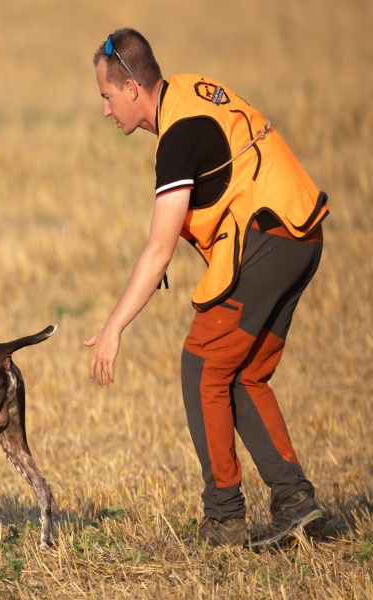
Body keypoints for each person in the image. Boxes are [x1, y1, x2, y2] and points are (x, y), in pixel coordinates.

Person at [83, 28, 328, 547]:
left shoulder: (178, 135)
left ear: (131, 89)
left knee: (201, 366)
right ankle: (294, 500)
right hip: (301, 233)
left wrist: (112, 329)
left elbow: (158, 250)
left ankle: (223, 518)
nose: (105, 110)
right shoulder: (189, 92)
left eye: (107, 96)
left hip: (269, 236)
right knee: (244, 374)